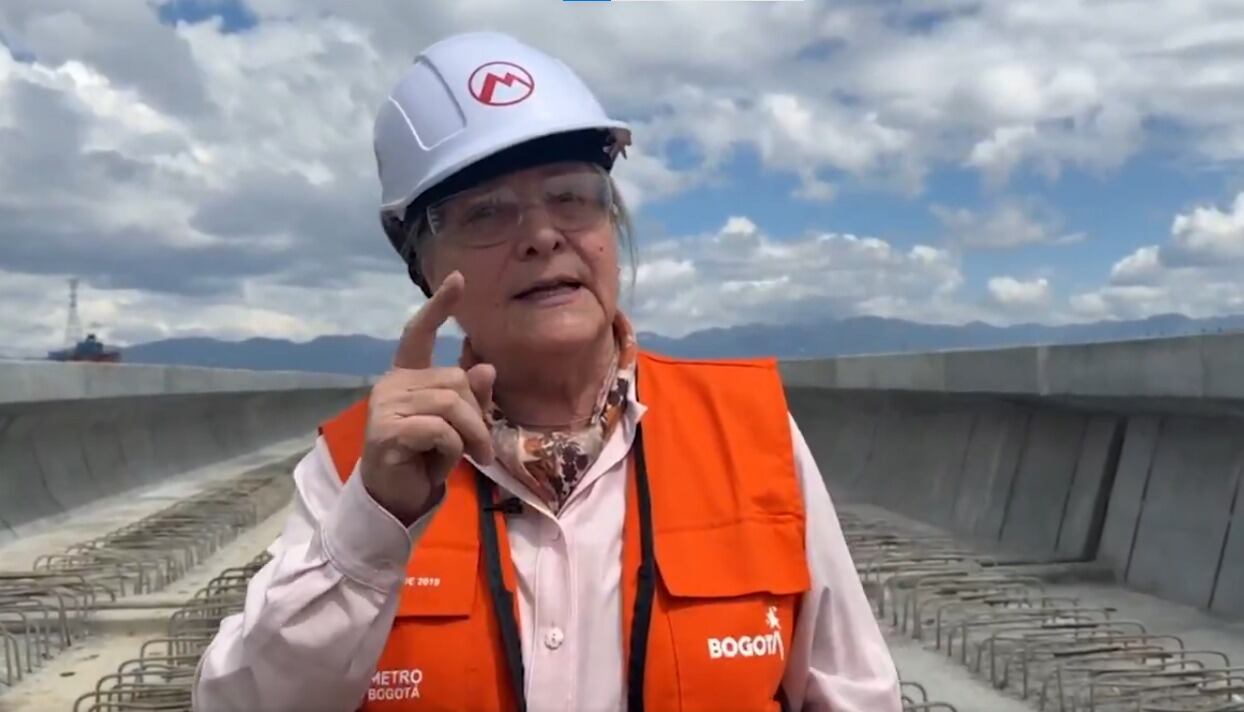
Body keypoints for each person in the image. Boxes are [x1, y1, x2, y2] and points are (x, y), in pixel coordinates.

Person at [192, 30, 902, 712]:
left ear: (610, 229)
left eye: (571, 196)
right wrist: (374, 526)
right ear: (424, 269)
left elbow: (854, 694)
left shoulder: (752, 431)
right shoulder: (358, 467)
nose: (540, 236)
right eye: (486, 214)